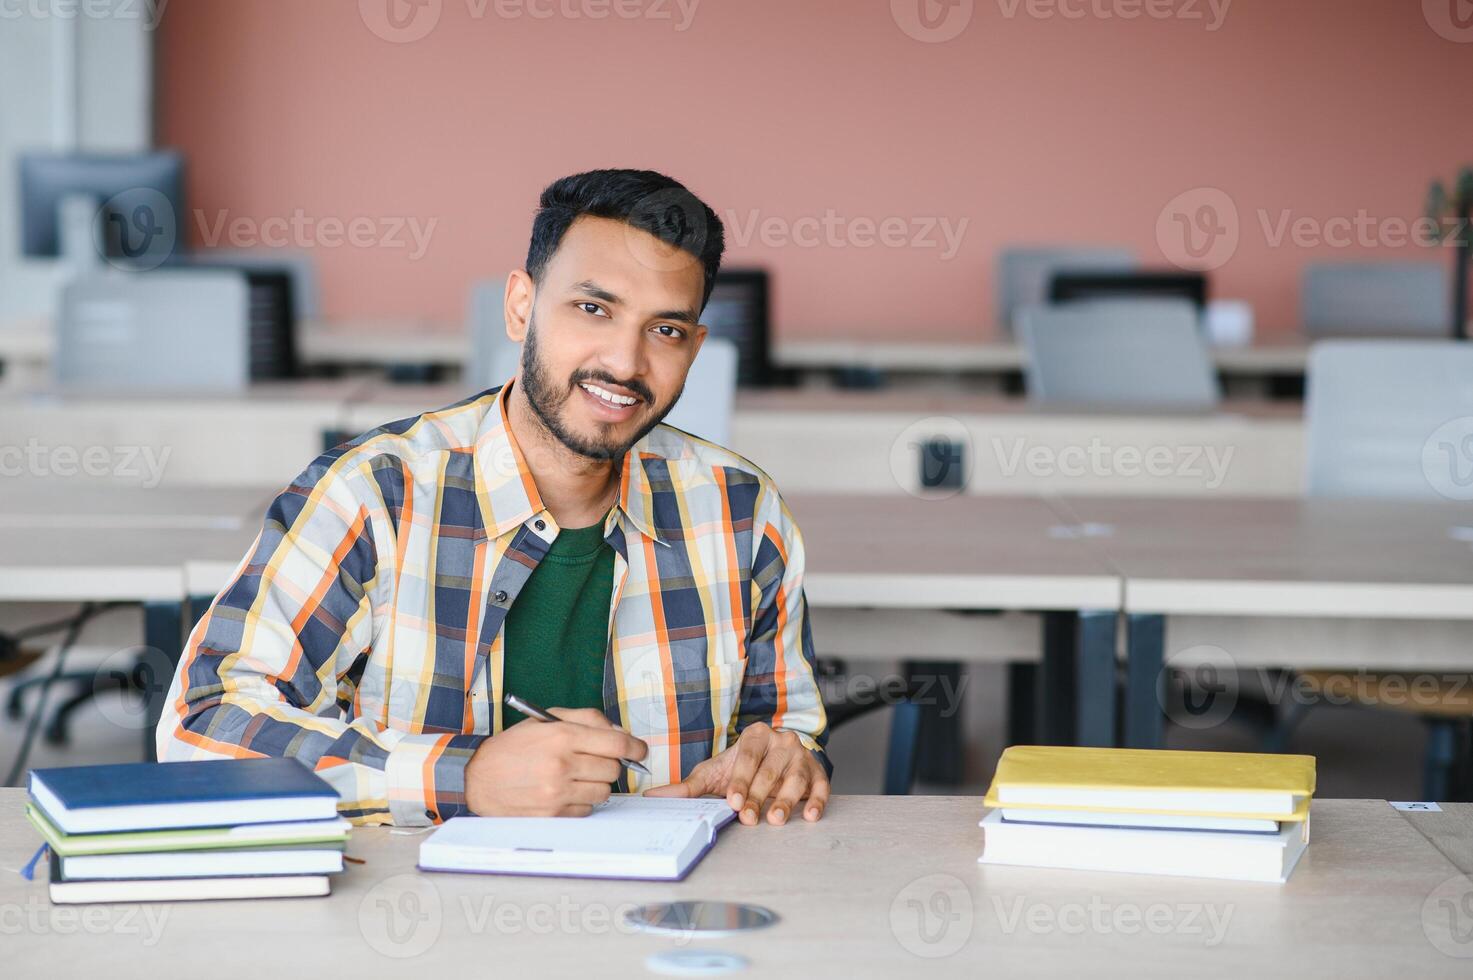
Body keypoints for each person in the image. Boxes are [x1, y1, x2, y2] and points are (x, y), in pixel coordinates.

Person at [157, 169, 829, 828]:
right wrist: (464, 778)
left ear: (694, 348)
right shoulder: (374, 494)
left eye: (666, 331)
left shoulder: (741, 510)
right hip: (411, 918)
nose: (625, 363)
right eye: (593, 309)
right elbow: (201, 728)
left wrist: (779, 760)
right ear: (520, 307)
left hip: (662, 918)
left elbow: (781, 729)